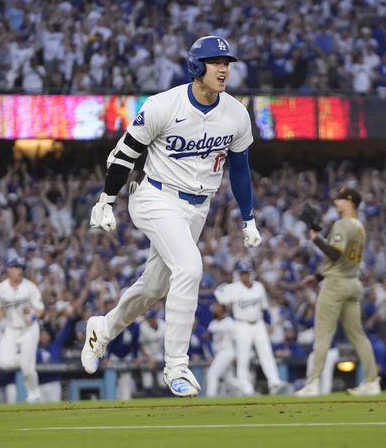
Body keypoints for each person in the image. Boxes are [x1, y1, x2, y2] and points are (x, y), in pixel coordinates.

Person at [82, 36, 260, 397]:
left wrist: (249, 217)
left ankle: (103, 329)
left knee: (153, 288)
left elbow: (240, 169)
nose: (223, 69)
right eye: (215, 62)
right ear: (197, 66)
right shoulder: (164, 105)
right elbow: (126, 153)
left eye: (227, 62)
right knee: (190, 268)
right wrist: (105, 199)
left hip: (197, 208)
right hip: (154, 197)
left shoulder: (236, 113)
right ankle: (176, 365)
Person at [295, 187, 381, 397]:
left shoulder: (342, 224)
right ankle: (372, 382)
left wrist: (316, 238)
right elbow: (341, 260)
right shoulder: (359, 226)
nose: (336, 200)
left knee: (323, 335)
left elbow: (334, 254)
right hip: (352, 282)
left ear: (349, 202)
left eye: (341, 198)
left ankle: (313, 383)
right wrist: (316, 277)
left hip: (335, 284)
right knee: (358, 336)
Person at [214, 262, 286, 395]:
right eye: (242, 273)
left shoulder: (258, 287)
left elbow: (265, 307)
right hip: (242, 325)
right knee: (243, 357)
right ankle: (245, 386)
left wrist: (269, 323)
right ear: (239, 275)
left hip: (258, 324)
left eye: (247, 272)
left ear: (250, 273)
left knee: (266, 353)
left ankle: (274, 382)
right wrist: (225, 284)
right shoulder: (233, 288)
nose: (245, 275)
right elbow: (218, 292)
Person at [0, 257, 44, 403]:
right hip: (10, 328)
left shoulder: (30, 287)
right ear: (8, 269)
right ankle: (26, 362)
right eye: (15, 267)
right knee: (3, 362)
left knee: (28, 369)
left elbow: (40, 309)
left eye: (20, 268)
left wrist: (33, 317)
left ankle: (34, 395)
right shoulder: (1, 288)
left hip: (28, 329)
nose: (18, 270)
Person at [205, 302, 240, 397]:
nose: (215, 309)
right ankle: (249, 391)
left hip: (227, 352)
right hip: (219, 353)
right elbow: (207, 338)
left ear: (223, 309)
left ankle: (210, 398)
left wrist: (237, 354)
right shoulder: (213, 323)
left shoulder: (229, 322)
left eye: (217, 307)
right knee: (229, 379)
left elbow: (236, 339)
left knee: (212, 375)